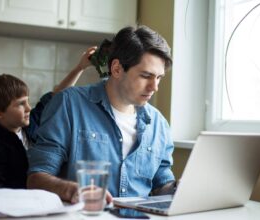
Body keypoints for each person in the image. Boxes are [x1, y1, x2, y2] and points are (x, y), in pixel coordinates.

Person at [27, 26, 177, 204]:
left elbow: (162, 185)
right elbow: (36, 178)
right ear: (117, 69)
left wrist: (176, 189)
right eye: (146, 76)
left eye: (159, 77)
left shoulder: (158, 123)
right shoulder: (68, 104)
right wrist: (70, 190)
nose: (155, 87)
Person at [0, 46, 96, 191]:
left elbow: (57, 95)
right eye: (21, 104)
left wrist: (80, 68)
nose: (28, 108)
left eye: (27, 101)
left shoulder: (31, 122)